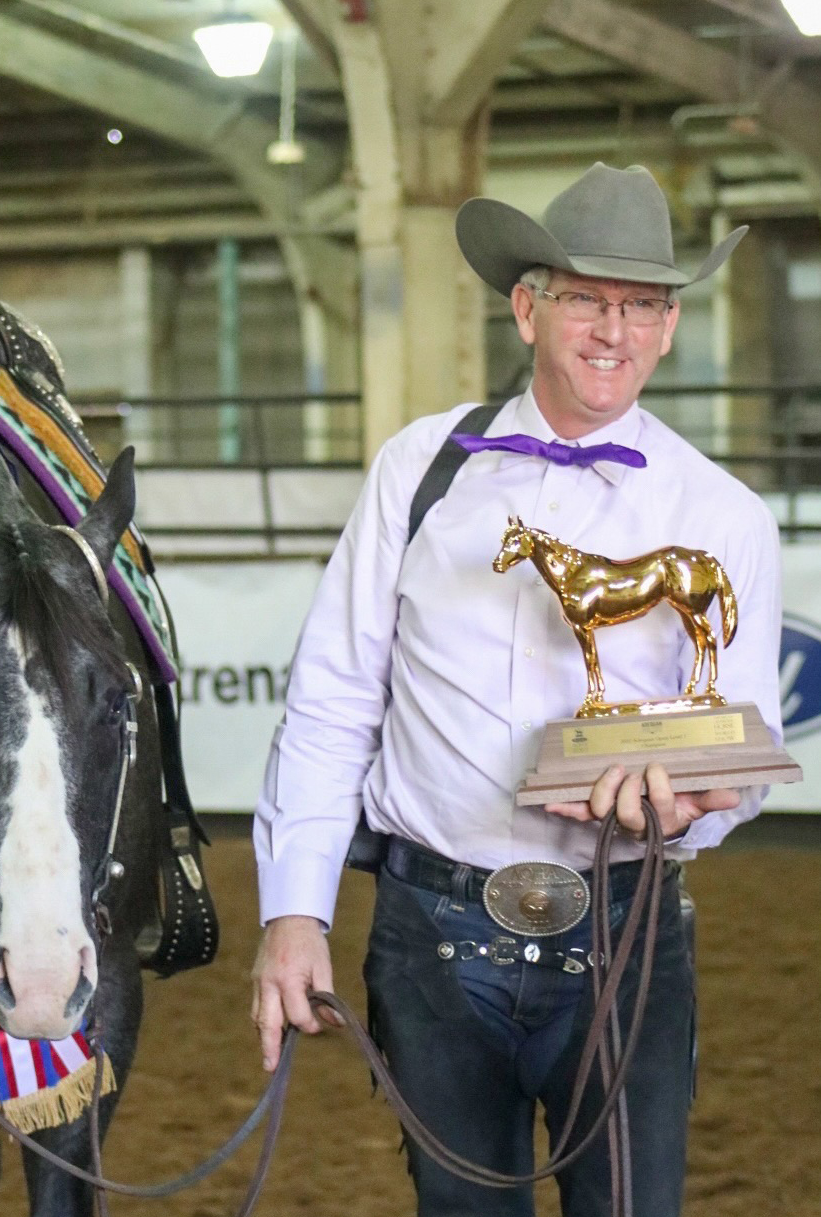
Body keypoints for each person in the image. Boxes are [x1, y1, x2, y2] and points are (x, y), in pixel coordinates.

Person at [250, 163, 784, 1216]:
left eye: (642, 306)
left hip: (626, 937)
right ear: (527, 305)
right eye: (586, 297)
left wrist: (689, 809)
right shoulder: (420, 472)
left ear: (670, 327)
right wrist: (292, 912)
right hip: (432, 938)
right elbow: (333, 699)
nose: (612, 330)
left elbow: (741, 745)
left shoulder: (725, 516)